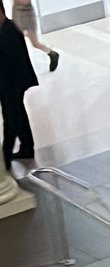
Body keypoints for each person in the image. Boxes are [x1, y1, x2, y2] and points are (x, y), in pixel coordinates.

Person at [0, 2, 38, 170]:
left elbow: (14, 61)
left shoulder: (9, 31)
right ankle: (27, 146)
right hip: (8, 83)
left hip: (12, 83)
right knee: (18, 114)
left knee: (11, 117)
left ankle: (5, 155)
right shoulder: (6, 29)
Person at [12, 1, 58, 70]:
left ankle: (52, 54)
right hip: (17, 12)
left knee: (35, 43)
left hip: (28, 12)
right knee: (17, 41)